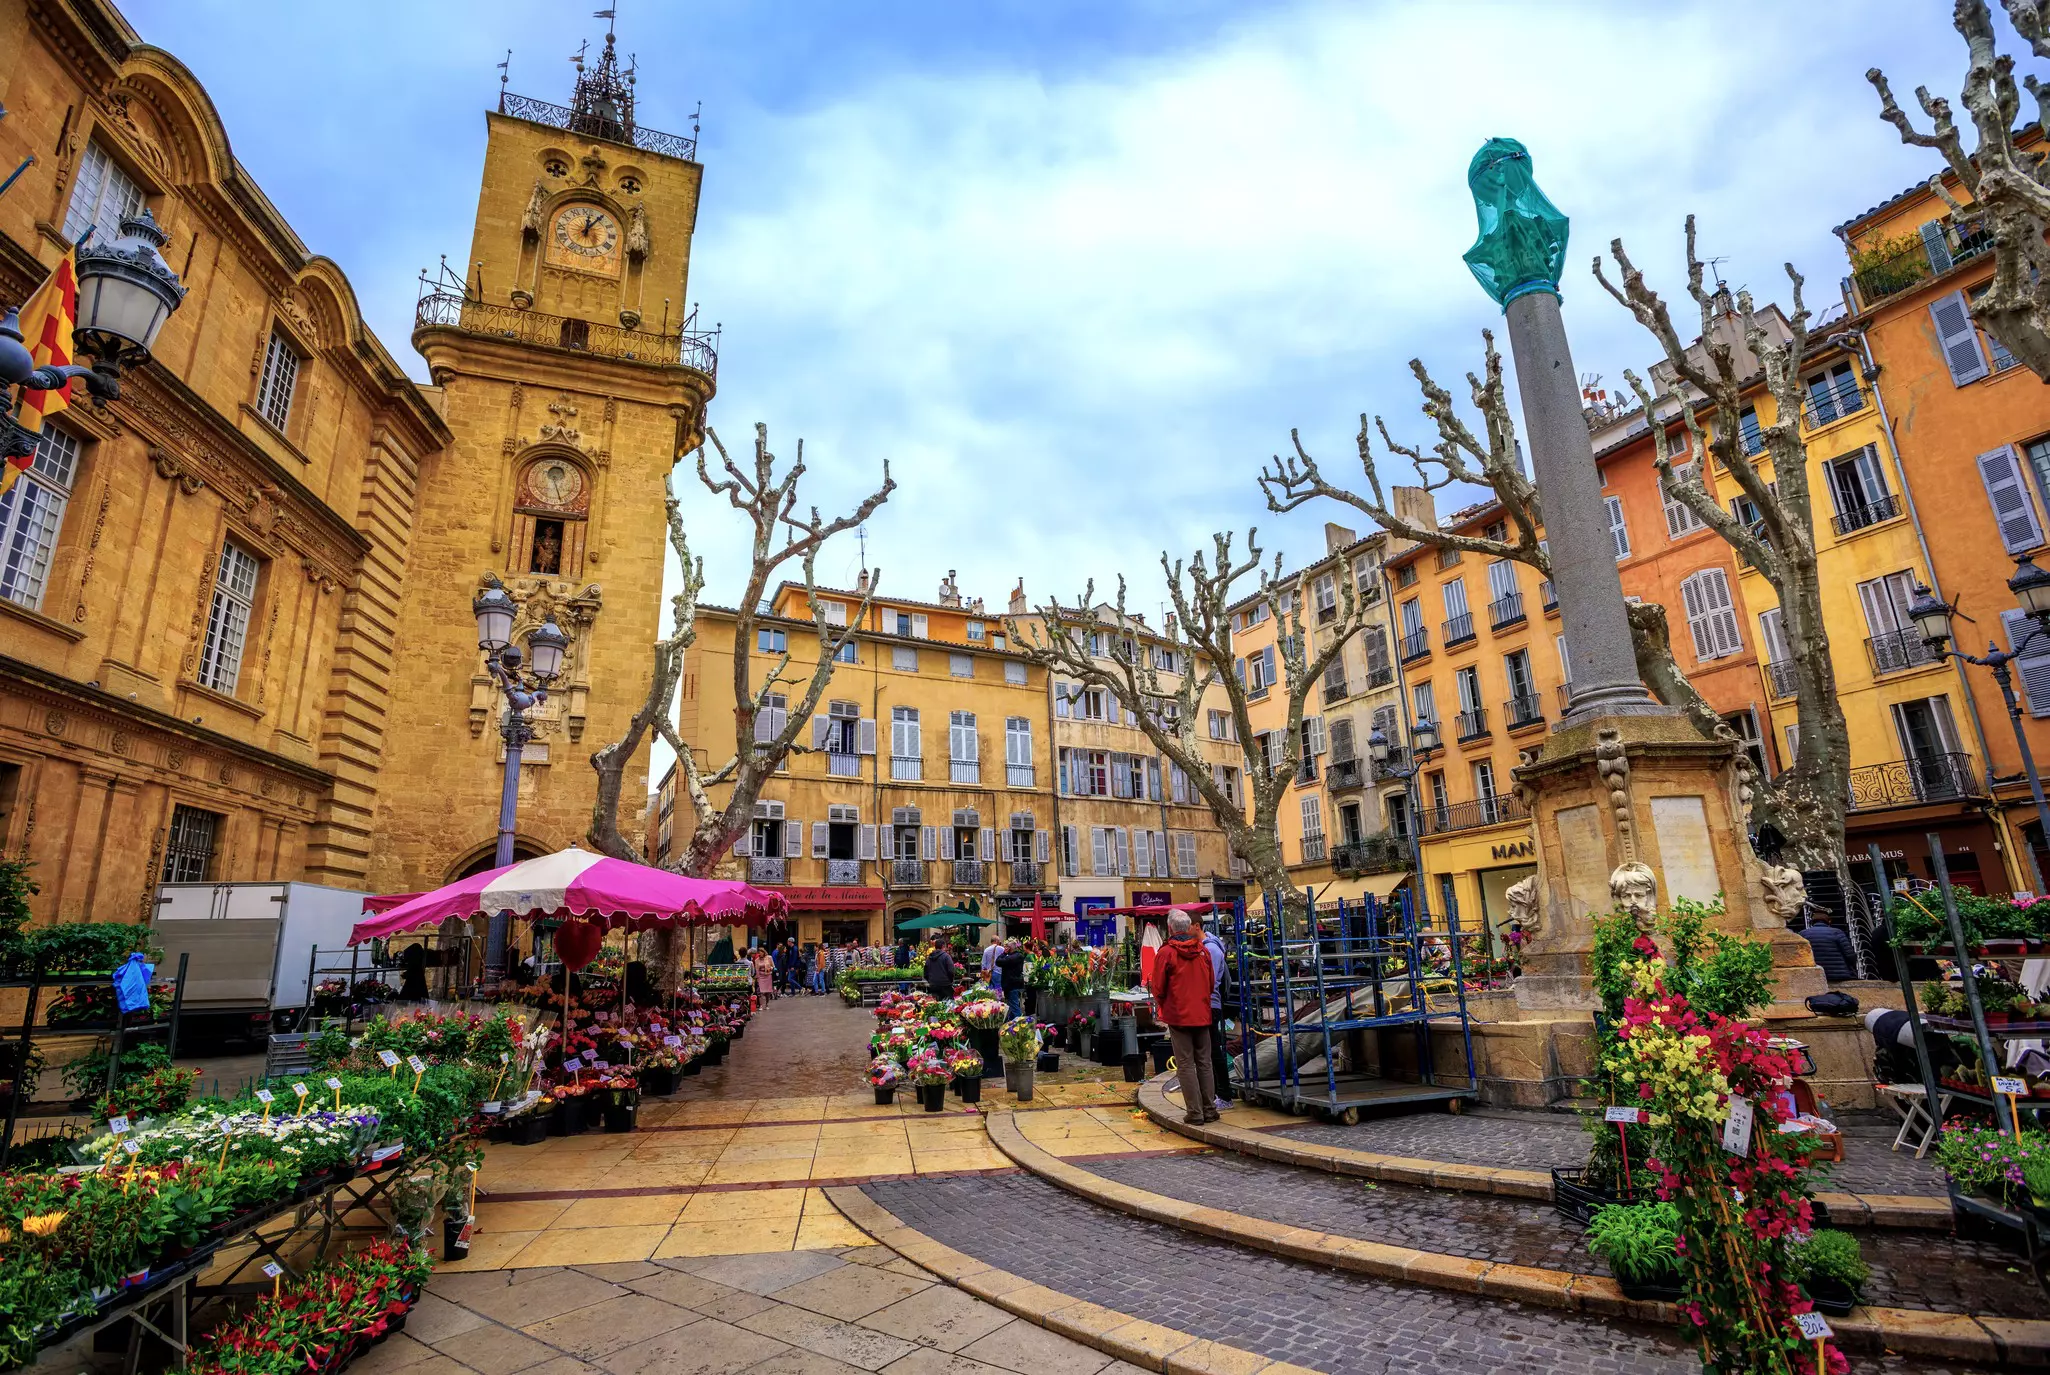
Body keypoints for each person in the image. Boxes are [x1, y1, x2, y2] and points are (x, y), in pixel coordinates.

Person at [1147, 913, 1218, 1125]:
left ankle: (1195, 1113)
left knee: (1185, 1064)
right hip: (1202, 1014)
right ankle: (1210, 1109)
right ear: (1188, 928)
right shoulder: (1203, 951)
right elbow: (1211, 982)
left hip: (1178, 1015)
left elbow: (1158, 987)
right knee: (1205, 1062)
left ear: (1170, 928)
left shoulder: (1166, 953)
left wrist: (1164, 1004)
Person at [1199, 913, 1234, 1111]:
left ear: (1196, 927)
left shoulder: (1211, 949)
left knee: (1214, 1050)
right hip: (1208, 1004)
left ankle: (1224, 1095)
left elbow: (1209, 981)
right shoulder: (1209, 947)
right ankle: (1216, 1093)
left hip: (1211, 1005)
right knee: (1209, 1050)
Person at [1798, 913, 1857, 983]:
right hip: (1838, 975)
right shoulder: (1837, 932)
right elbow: (1850, 955)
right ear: (1829, 921)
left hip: (1814, 975)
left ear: (1812, 922)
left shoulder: (1802, 934)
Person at [995, 939, 1028, 1020]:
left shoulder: (1014, 957)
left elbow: (998, 961)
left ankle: (1020, 1023)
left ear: (1010, 948)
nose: (1005, 948)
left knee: (1014, 1006)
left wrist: (1004, 953)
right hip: (1011, 984)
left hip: (1012, 985)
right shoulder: (1016, 956)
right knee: (1012, 1006)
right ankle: (1013, 1024)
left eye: (1006, 947)